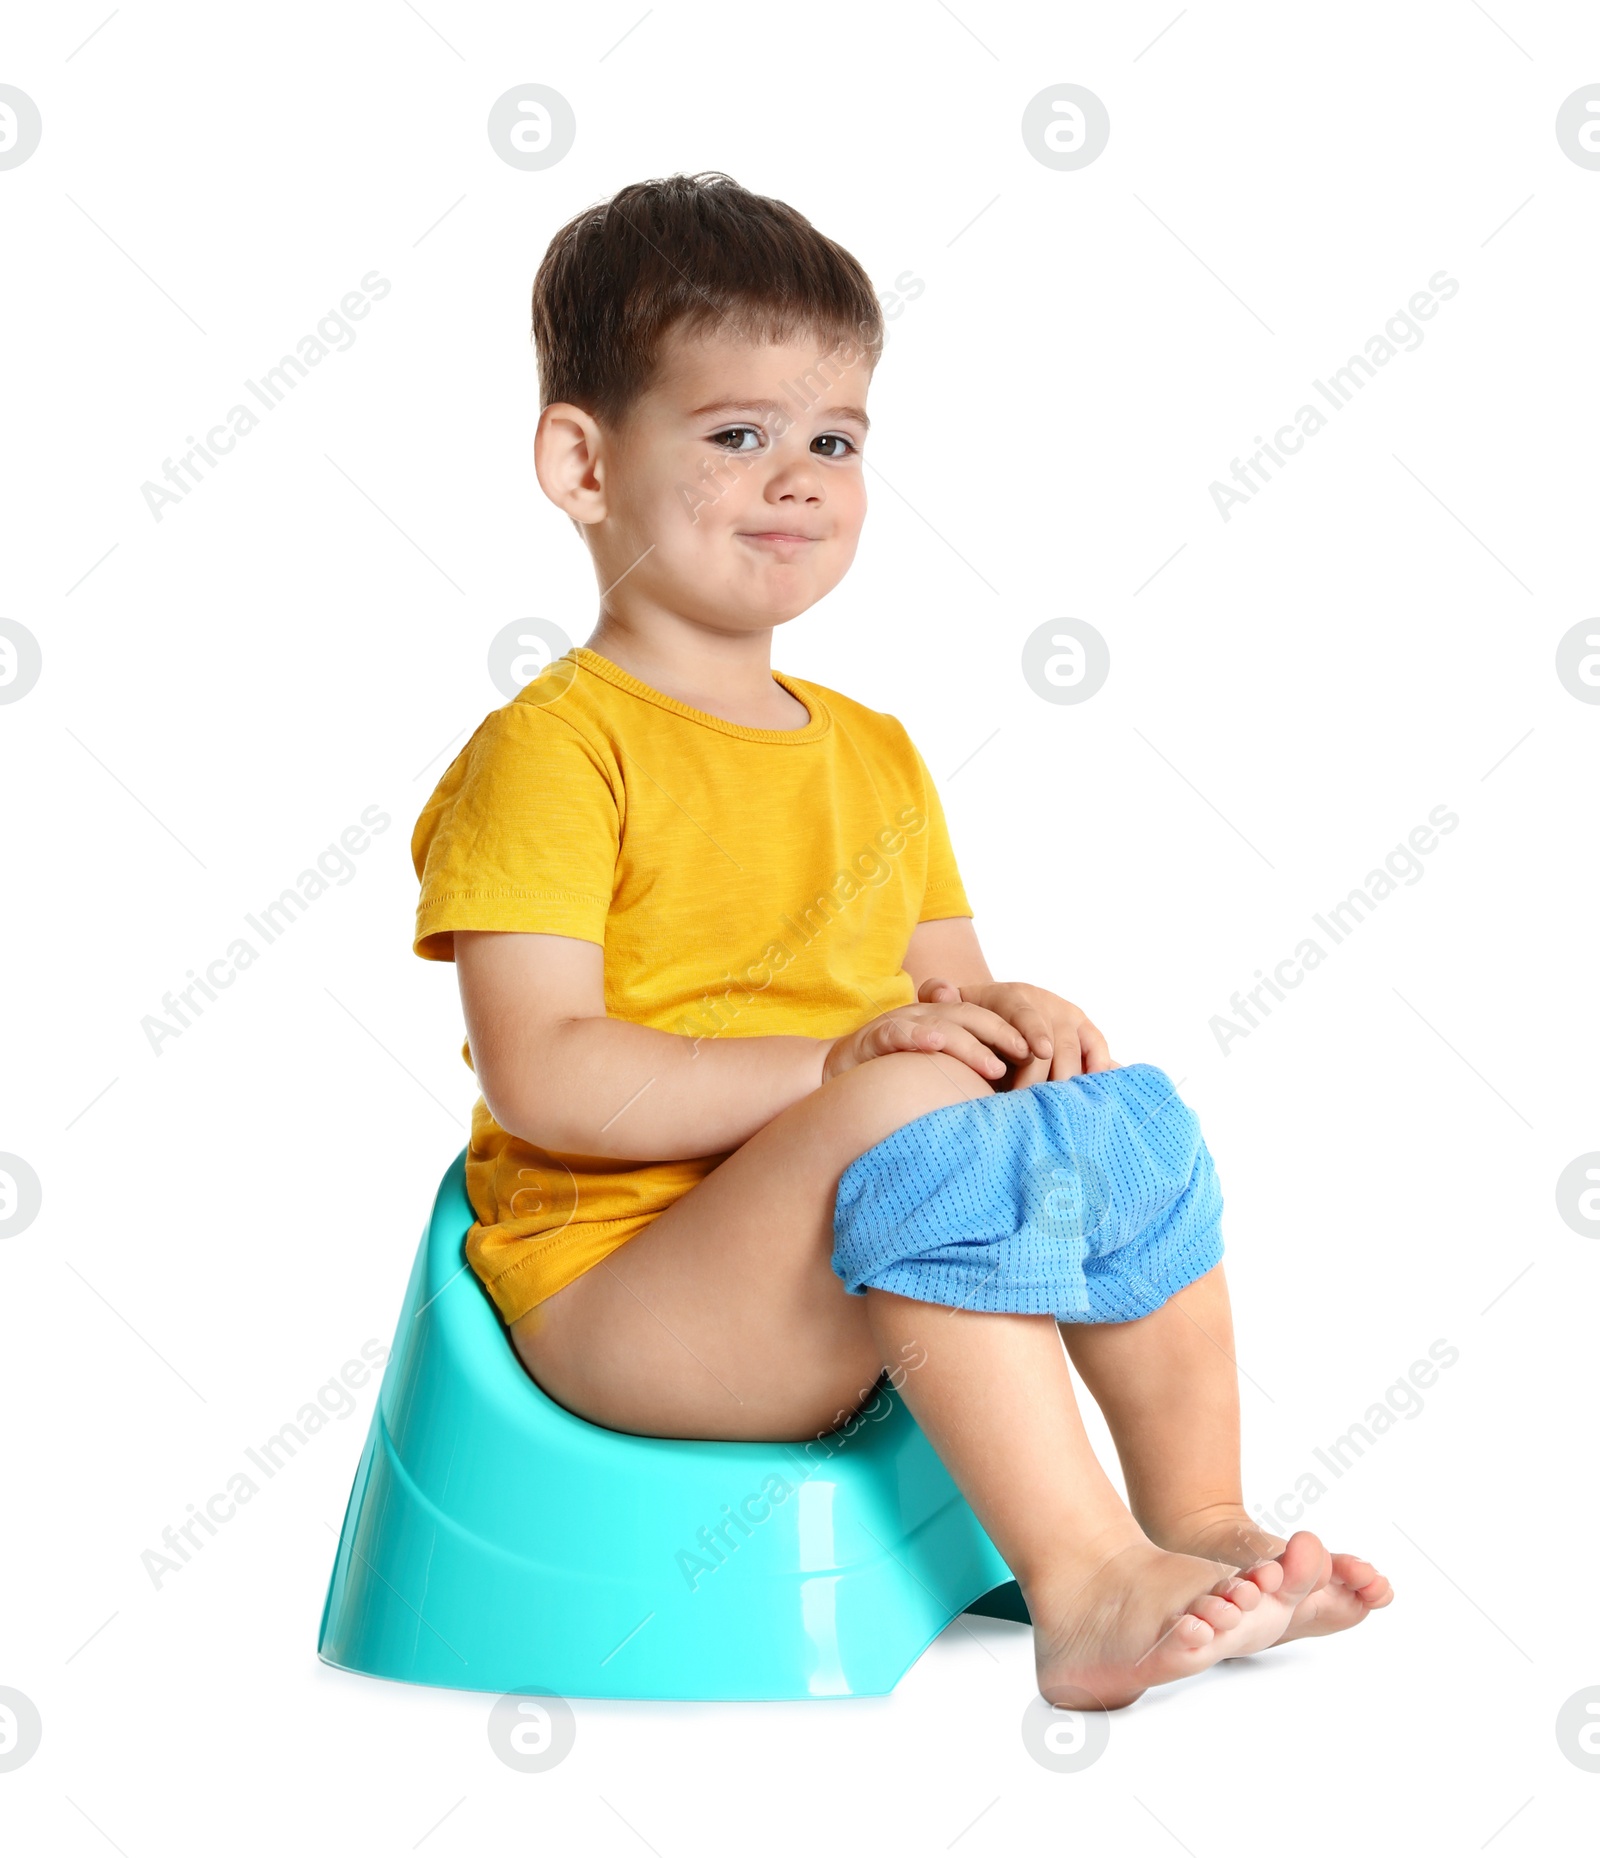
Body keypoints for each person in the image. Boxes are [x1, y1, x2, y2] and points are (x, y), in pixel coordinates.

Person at [410, 172, 1391, 1709]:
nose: (795, 477)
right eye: (736, 433)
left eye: (835, 440)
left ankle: (1197, 1516)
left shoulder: (873, 752)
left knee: (1103, 1110)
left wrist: (1020, 1015)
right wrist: (849, 1066)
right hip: (631, 1304)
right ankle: (1081, 1589)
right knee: (920, 1106)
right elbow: (546, 1072)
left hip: (851, 1243)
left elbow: (948, 1003)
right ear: (584, 461)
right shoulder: (554, 750)